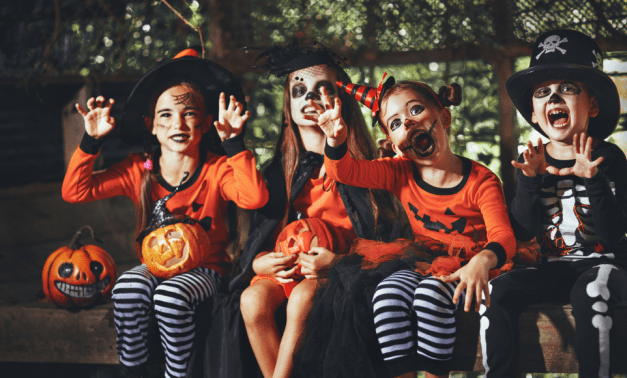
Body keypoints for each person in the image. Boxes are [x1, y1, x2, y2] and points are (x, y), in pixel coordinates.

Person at [184, 41, 408, 378]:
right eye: (299, 90)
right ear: (288, 104)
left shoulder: (367, 168)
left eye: (322, 89)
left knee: (304, 296)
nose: (310, 99)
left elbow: (391, 244)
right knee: (251, 301)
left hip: (343, 270)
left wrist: (338, 263)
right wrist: (261, 261)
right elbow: (259, 242)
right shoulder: (279, 172)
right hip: (288, 270)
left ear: (341, 100)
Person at [62, 50, 269, 378]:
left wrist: (234, 144)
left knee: (171, 296)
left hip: (209, 270)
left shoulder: (217, 169)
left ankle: (177, 374)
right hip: (153, 268)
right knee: (127, 288)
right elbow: (75, 191)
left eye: (189, 114)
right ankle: (134, 371)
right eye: (167, 115)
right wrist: (90, 141)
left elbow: (255, 198)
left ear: (203, 124)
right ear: (152, 126)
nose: (179, 123)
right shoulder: (139, 169)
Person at [311, 75, 516, 378]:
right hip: (422, 259)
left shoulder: (481, 181)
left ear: (444, 117)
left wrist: (482, 261)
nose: (405, 123)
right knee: (386, 296)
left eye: (415, 110)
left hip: (469, 265)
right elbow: (344, 171)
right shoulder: (399, 172)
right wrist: (336, 140)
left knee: (430, 296)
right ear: (394, 145)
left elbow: (504, 236)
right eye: (394, 123)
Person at [479, 29, 627, 377]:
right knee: (495, 290)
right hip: (554, 270)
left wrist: (592, 179)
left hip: (606, 266)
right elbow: (521, 230)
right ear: (534, 114)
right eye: (543, 93)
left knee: (593, 289)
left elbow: (612, 232)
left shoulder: (608, 157)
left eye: (567, 89)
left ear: (592, 105)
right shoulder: (531, 159)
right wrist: (531, 181)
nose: (554, 99)